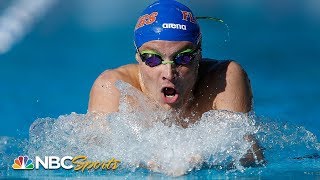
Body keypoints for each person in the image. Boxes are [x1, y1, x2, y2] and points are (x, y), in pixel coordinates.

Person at [88, 0, 264, 170]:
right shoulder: (113, 87)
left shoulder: (223, 79)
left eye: (183, 58)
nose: (168, 73)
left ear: (199, 54)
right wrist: (139, 160)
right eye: (152, 58)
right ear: (138, 56)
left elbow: (250, 156)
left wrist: (205, 157)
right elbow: (94, 159)